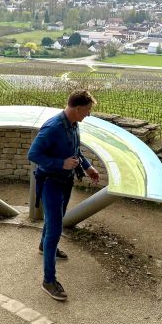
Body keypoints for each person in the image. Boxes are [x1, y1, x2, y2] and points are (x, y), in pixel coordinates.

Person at [27, 89, 100, 301]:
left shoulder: (73, 125)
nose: (88, 115)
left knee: (55, 221)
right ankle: (48, 281)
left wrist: (87, 167)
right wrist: (60, 163)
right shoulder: (53, 127)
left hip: (65, 182)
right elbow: (33, 154)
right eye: (86, 111)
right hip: (51, 183)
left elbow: (75, 151)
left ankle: (44, 246)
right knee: (56, 228)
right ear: (77, 108)